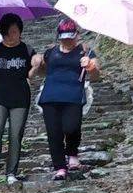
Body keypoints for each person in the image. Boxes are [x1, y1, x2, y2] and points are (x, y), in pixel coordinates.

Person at [34, 18, 100, 180]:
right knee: (54, 133)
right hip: (50, 96)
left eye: (71, 36)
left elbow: (97, 75)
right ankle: (60, 167)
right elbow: (42, 71)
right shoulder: (51, 52)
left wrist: (90, 66)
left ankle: (72, 152)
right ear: (59, 36)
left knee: (71, 127)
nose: (68, 40)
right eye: (64, 37)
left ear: (77, 35)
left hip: (73, 96)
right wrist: (37, 63)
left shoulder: (85, 52)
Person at [0, 12, 34, 185]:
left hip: (20, 97)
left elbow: (35, 73)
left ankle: (11, 171)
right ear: (3, 33)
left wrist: (38, 65)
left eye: (15, 32)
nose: (12, 36)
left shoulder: (27, 50)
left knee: (15, 134)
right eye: (8, 33)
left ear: (20, 31)